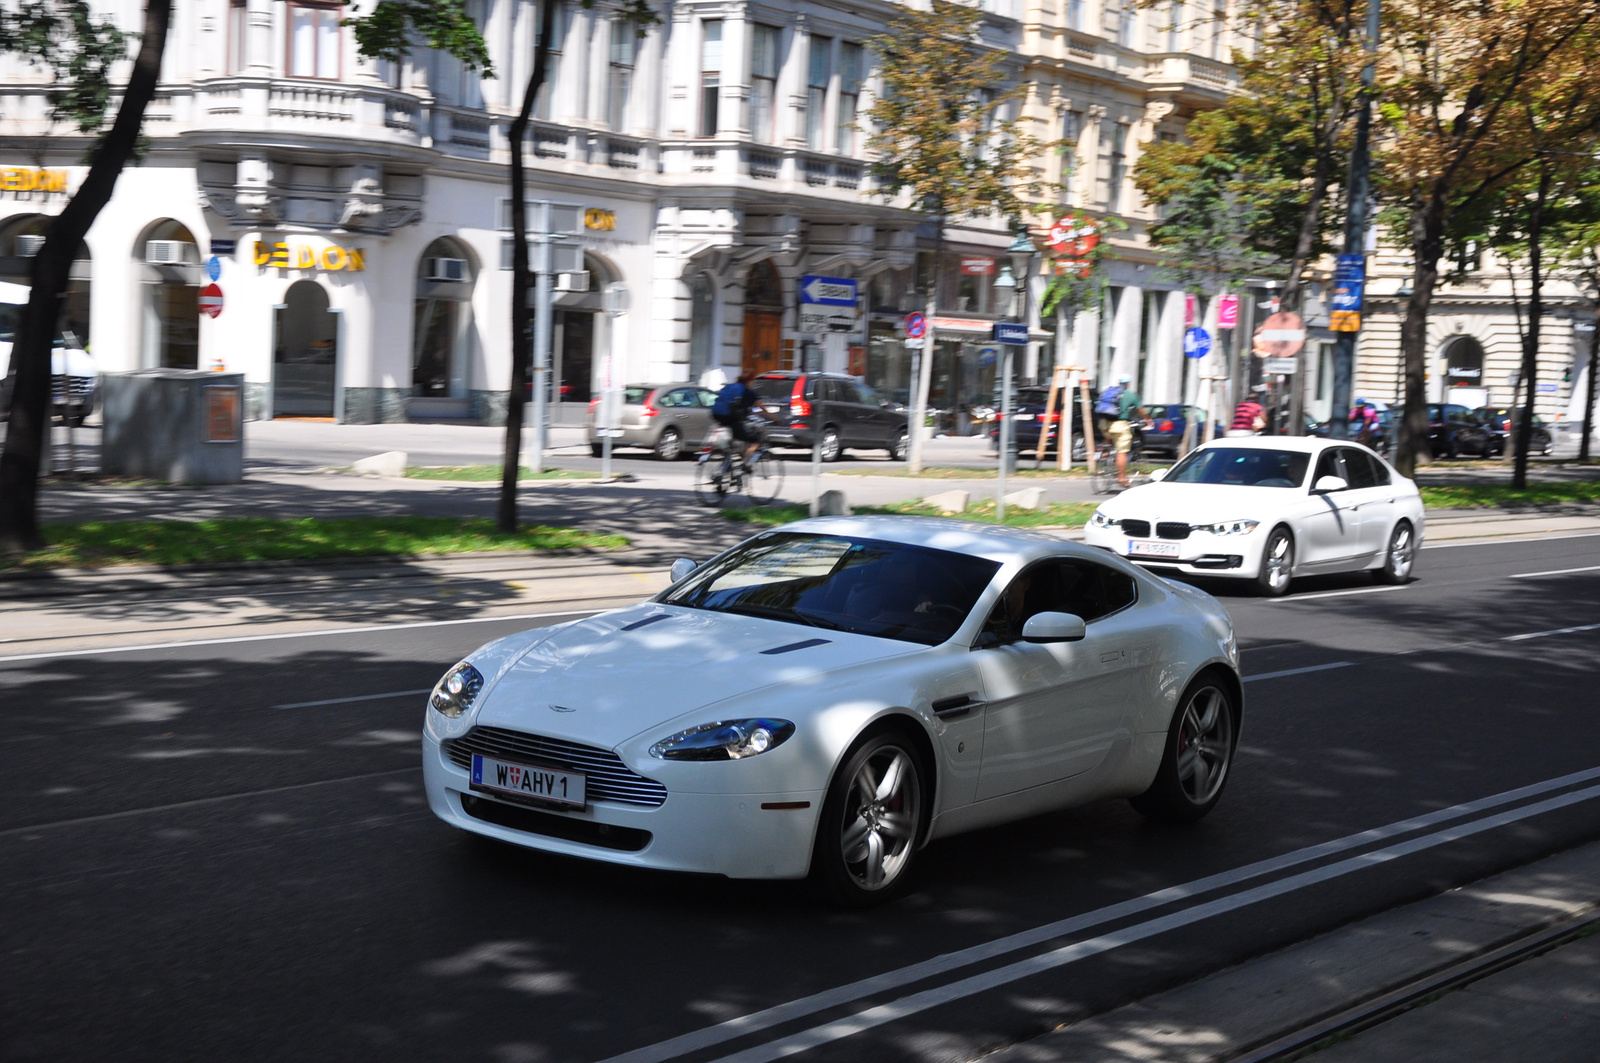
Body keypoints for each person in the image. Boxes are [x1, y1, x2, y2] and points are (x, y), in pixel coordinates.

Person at [712, 369, 763, 465]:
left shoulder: (729, 386)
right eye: (753, 381)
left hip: (716, 414)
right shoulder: (747, 391)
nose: (753, 383)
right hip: (729, 416)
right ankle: (744, 464)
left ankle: (728, 457)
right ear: (749, 381)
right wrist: (775, 419)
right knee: (754, 440)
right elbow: (760, 406)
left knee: (734, 436)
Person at [1101, 374, 1142, 487]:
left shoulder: (1109, 391)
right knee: (1122, 451)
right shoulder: (1130, 394)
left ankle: (1104, 455)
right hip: (1119, 425)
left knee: (1109, 437)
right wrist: (1148, 420)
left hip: (1104, 423)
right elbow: (1141, 409)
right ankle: (1121, 478)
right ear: (1128, 383)